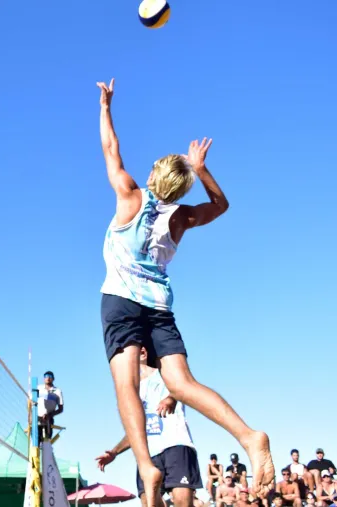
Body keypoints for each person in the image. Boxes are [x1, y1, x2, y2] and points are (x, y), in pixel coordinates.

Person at [95, 78, 274, 506]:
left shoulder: (129, 194)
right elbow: (222, 206)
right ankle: (250, 436)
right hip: (158, 307)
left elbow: (110, 148)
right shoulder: (183, 218)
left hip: (121, 301)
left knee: (127, 386)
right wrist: (202, 167)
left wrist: (105, 106)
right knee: (182, 382)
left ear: (155, 173)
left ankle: (146, 465)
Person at [95, 348, 203, 507]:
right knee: (148, 503)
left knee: (182, 501)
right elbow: (135, 432)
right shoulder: (130, 391)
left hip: (176, 444)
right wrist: (114, 452)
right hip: (148, 454)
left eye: (143, 347)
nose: (141, 349)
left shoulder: (164, 373)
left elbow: (185, 386)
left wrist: (172, 397)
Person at [37, 371, 64, 442]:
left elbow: (61, 409)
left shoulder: (57, 391)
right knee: (36, 440)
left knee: (46, 441)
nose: (48, 378)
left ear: (53, 379)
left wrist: (50, 415)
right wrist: (30, 416)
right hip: (37, 418)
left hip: (48, 419)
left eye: (50, 376)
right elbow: (30, 402)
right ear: (44, 378)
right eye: (46, 376)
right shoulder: (38, 388)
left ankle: (47, 451)